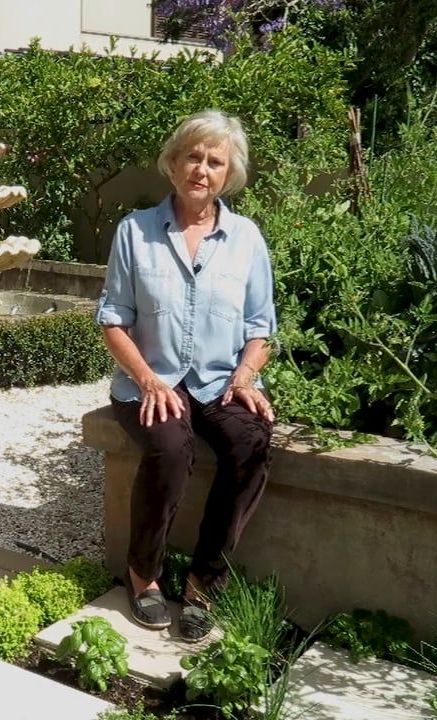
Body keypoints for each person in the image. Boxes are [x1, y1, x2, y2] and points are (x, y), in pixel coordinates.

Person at [95, 109, 277, 641]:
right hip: (148, 382)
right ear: (173, 165)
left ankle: (204, 583)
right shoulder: (136, 233)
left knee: (252, 444)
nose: (202, 169)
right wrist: (149, 380)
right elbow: (112, 319)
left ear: (228, 174)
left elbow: (261, 327)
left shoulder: (246, 239)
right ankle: (144, 573)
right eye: (192, 157)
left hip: (222, 382)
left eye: (214, 161)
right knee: (171, 450)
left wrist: (246, 376)